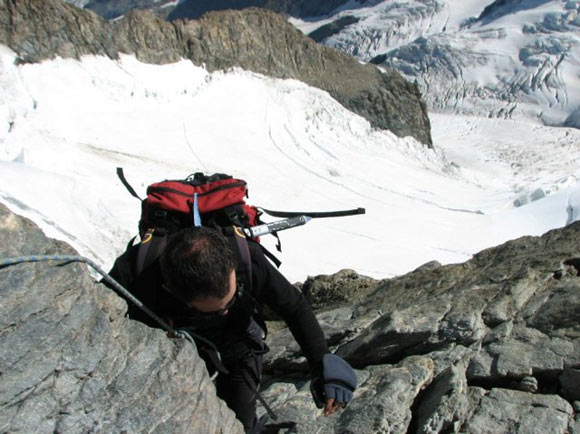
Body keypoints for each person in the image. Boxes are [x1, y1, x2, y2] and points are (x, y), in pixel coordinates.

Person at [107, 226, 357, 433]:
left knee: (241, 424)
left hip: (239, 346)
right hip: (165, 358)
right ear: (171, 291)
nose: (225, 312)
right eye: (215, 311)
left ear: (231, 267)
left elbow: (293, 307)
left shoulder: (245, 258)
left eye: (232, 297)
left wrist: (322, 363)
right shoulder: (134, 275)